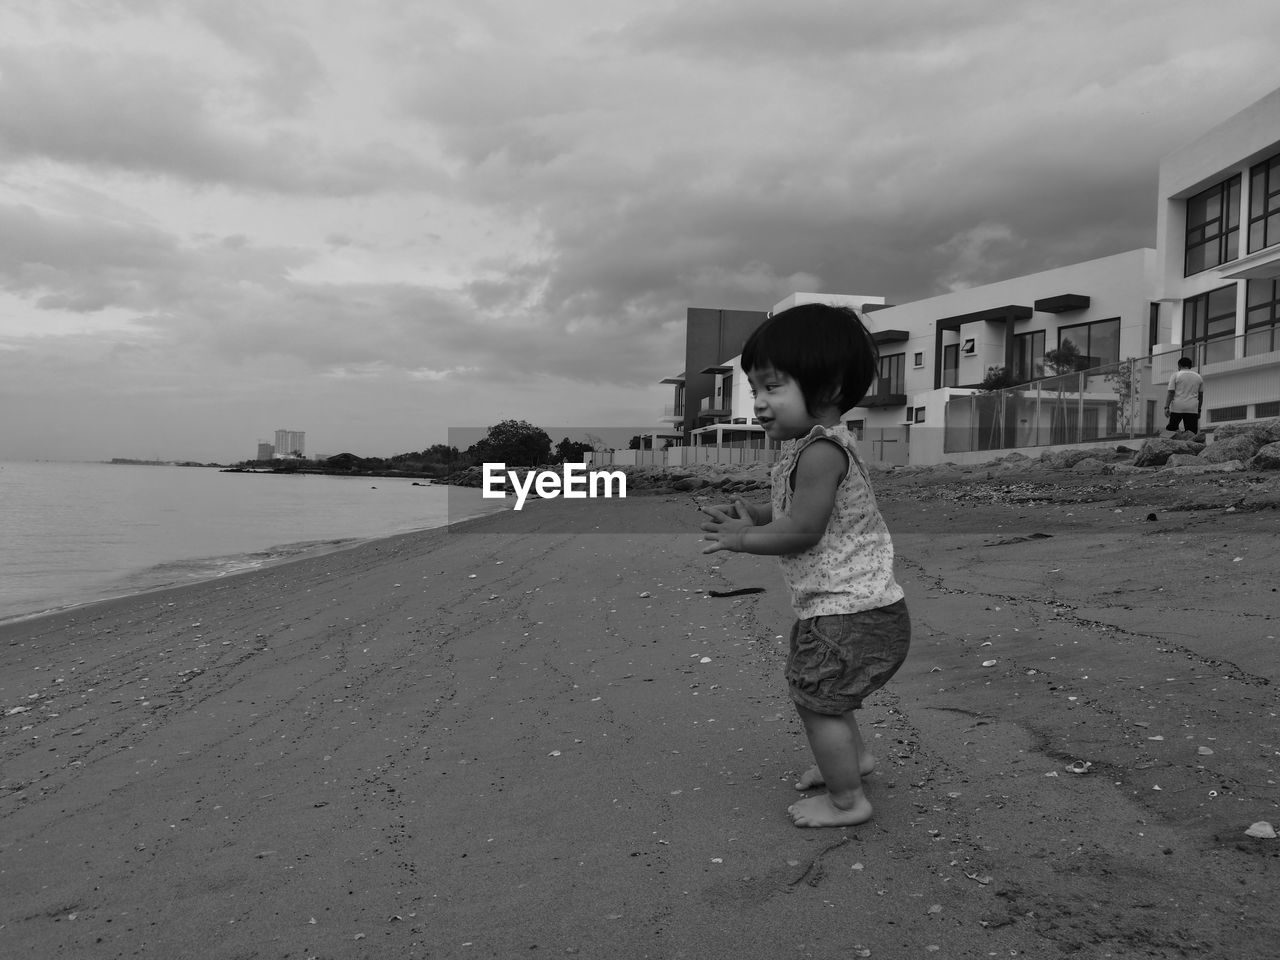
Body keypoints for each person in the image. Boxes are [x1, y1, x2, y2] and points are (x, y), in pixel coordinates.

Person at [699, 304, 909, 828]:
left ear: (829, 385)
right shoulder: (805, 449)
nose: (760, 403)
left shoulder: (821, 452)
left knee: (817, 701)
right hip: (849, 610)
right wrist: (756, 515)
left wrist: (744, 539)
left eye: (772, 387)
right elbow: (798, 513)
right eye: (754, 390)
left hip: (849, 614)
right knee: (826, 695)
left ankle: (847, 800)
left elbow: (805, 530)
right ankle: (853, 763)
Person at [1164, 356, 1204, 435]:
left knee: (1171, 429)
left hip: (1177, 407)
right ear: (1190, 366)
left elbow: (1171, 392)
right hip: (1192, 408)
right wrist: (1199, 409)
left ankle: (1174, 444)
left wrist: (1166, 407)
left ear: (1179, 366)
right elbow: (1201, 395)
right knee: (1191, 432)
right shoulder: (1198, 377)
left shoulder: (1175, 375)